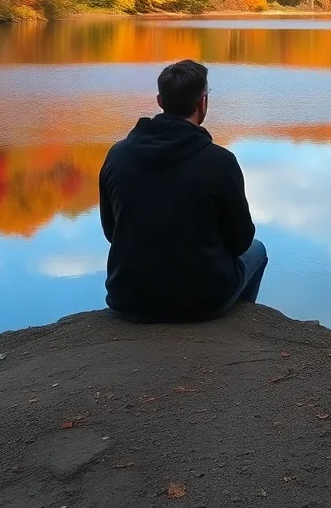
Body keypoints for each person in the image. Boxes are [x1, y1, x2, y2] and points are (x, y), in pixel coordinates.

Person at [98, 59, 267, 322]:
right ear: (202, 103)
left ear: (159, 101)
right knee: (257, 250)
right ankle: (236, 328)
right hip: (203, 301)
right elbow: (241, 241)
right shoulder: (220, 162)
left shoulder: (117, 155)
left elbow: (111, 231)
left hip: (128, 298)